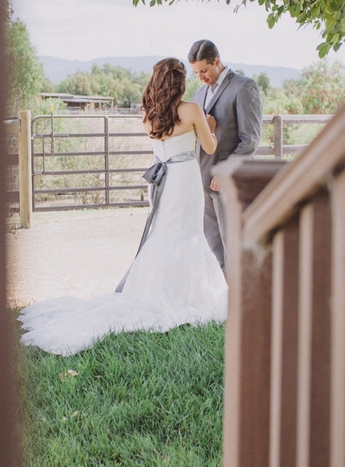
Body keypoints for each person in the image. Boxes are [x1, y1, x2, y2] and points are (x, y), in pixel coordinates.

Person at [19, 58, 228, 356]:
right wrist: (209, 125)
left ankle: (154, 291)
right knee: (189, 233)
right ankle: (188, 293)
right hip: (184, 178)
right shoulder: (192, 110)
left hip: (161, 182)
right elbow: (209, 147)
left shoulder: (148, 116)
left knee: (164, 233)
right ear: (181, 83)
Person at [188, 40, 263, 271]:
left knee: (234, 247)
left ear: (217, 61)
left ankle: (241, 301)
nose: (201, 77)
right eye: (195, 73)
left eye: (204, 70)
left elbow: (249, 139)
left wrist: (226, 173)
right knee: (213, 247)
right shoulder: (198, 94)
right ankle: (225, 299)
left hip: (226, 183)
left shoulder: (244, 87)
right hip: (201, 182)